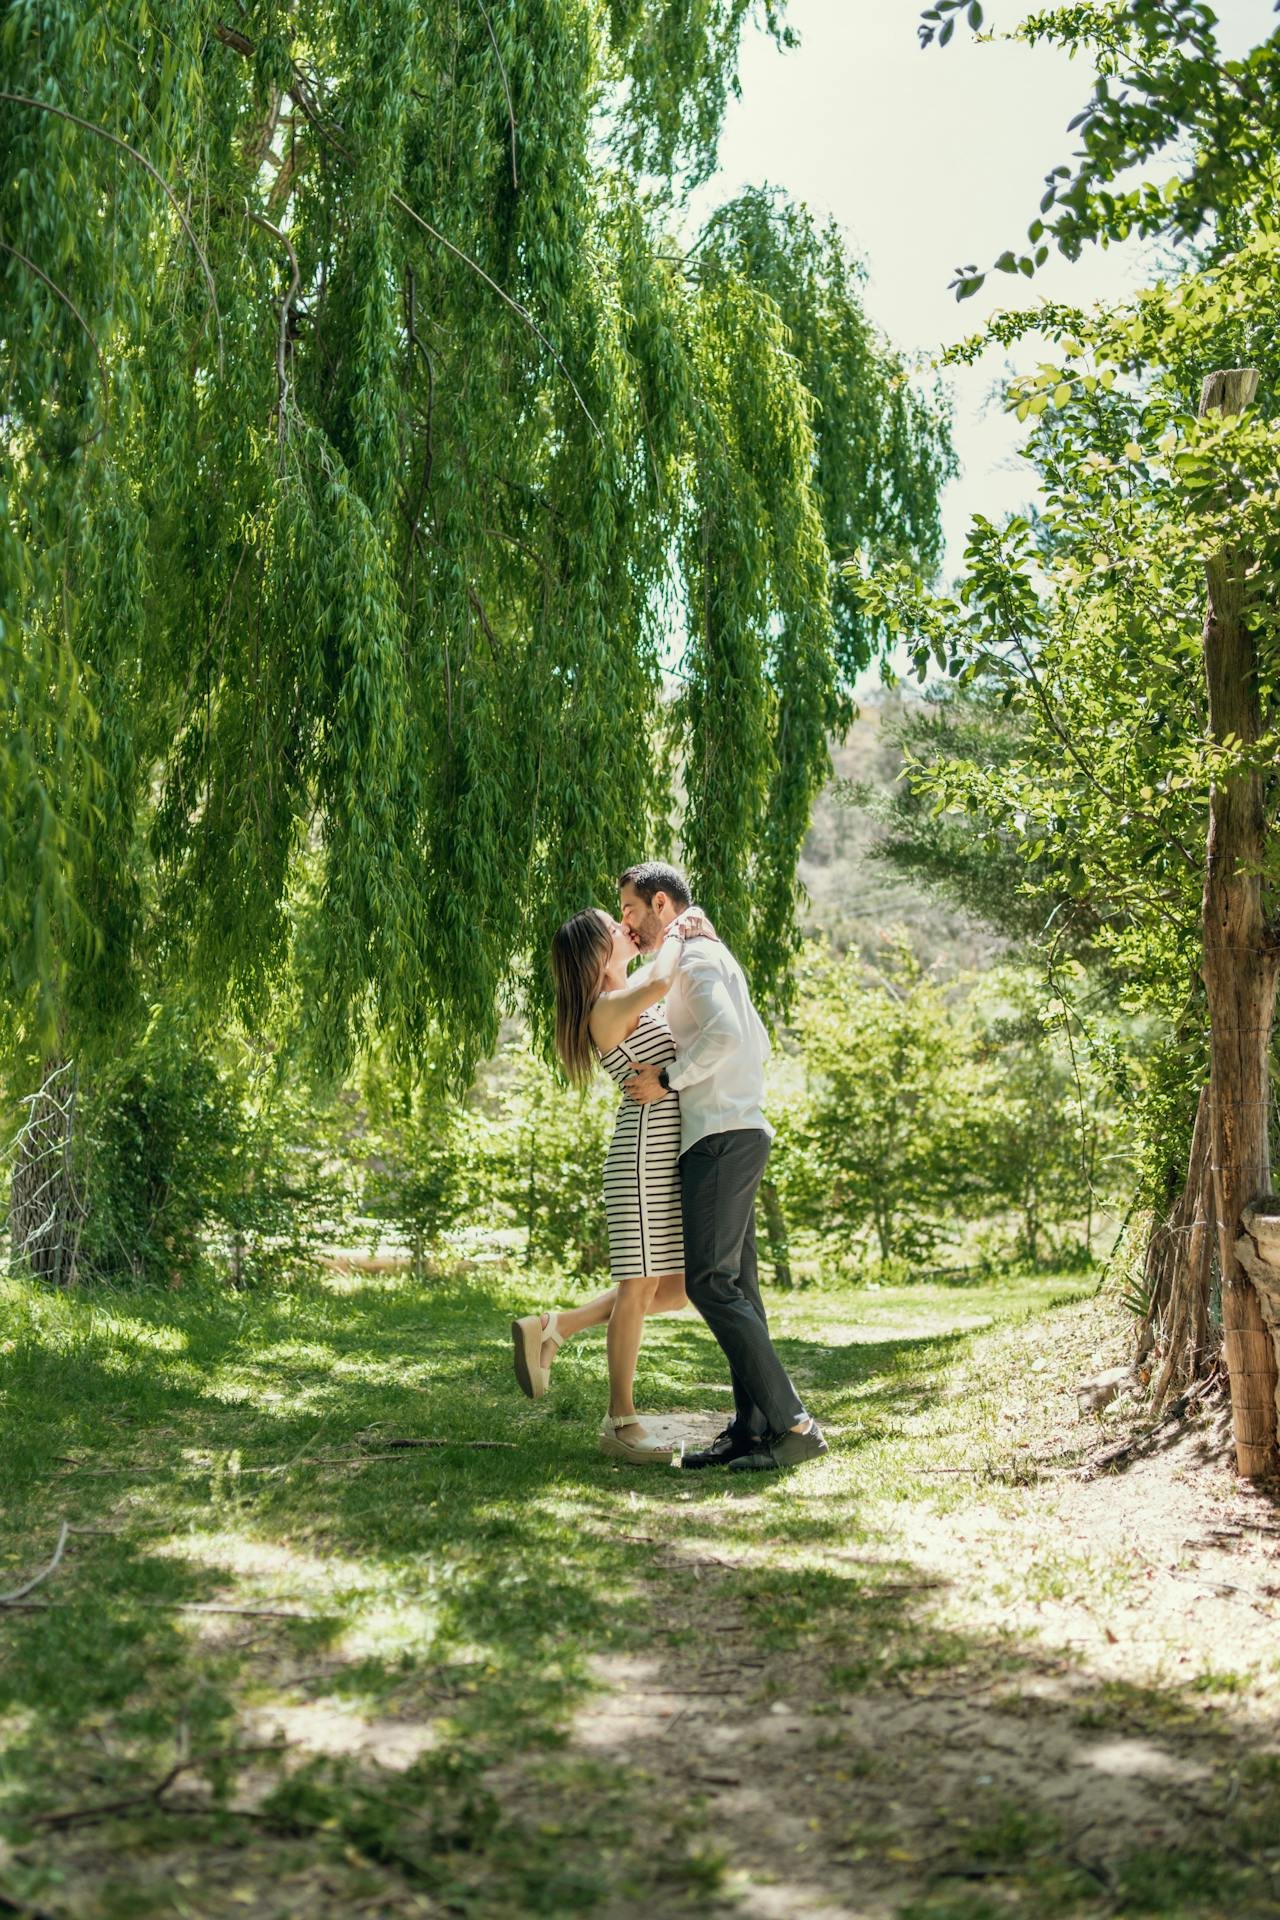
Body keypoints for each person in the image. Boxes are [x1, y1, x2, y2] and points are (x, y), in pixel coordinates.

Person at [618, 861, 827, 1474]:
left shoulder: (698, 957)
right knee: (739, 1287)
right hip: (733, 1130)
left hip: (720, 1137)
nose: (627, 921)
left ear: (660, 903)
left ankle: (795, 1424)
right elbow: (756, 1040)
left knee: (710, 1283)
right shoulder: (698, 949)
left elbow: (731, 1036)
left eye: (631, 909)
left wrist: (668, 1078)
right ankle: (750, 1430)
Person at [511, 903, 713, 1462]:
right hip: (643, 1154)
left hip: (661, 1151)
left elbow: (664, 986)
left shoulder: (626, 990)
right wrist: (680, 926)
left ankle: (555, 1327)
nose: (624, 926)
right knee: (639, 1286)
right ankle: (620, 1422)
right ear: (595, 953)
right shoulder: (607, 1007)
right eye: (611, 926)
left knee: (675, 1289)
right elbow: (667, 975)